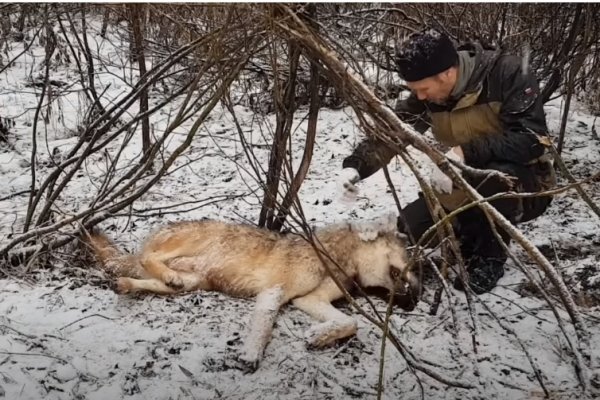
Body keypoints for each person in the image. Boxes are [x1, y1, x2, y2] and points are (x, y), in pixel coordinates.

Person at [338, 28, 556, 294]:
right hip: (459, 181)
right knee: (410, 229)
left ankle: (488, 257)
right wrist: (356, 166)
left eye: (423, 89)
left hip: (526, 183)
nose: (419, 96)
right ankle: (466, 230)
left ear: (447, 74)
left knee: (494, 178)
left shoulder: (508, 74)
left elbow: (532, 139)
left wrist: (465, 152)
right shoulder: (431, 93)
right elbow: (394, 132)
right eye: (414, 90)